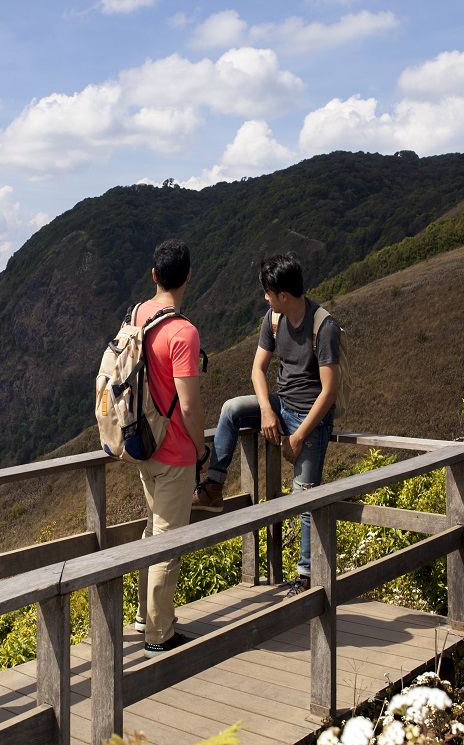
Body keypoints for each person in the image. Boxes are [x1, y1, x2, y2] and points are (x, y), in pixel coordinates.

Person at [192, 252, 340, 596]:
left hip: (311, 419)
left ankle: (305, 577)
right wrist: (267, 411)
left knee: (304, 496)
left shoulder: (324, 326)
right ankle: (214, 486)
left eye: (268, 292)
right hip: (282, 405)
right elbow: (257, 370)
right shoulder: (273, 320)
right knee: (231, 410)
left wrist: (299, 436)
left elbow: (330, 391)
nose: (265, 298)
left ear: (283, 296)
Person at [132, 239, 208, 658]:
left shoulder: (138, 314)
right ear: (189, 276)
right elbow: (191, 405)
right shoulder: (184, 333)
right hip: (176, 451)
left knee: (151, 532)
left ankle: (145, 616)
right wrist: (199, 449)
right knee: (167, 543)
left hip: (144, 444)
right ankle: (159, 635)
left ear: (155, 275)